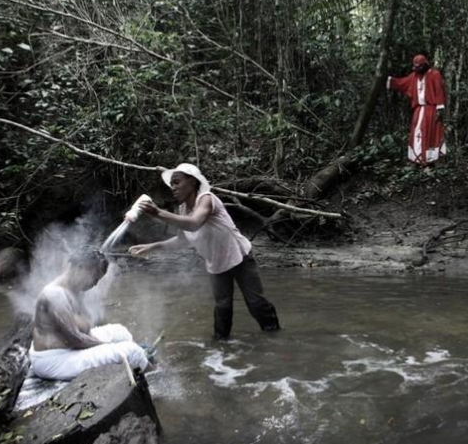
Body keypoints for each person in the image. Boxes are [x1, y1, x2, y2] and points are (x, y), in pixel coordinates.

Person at [128, 163, 281, 340]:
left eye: (177, 182)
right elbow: (182, 239)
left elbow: (194, 223)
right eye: (172, 184)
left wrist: (157, 213)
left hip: (240, 257)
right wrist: (152, 247)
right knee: (222, 306)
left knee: (256, 303)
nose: (173, 188)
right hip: (216, 263)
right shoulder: (184, 209)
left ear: (192, 182)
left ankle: (275, 339)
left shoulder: (206, 199)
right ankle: (221, 348)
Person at [29, 248, 151, 381]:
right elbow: (75, 340)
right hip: (54, 360)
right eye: (95, 278)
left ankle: (139, 366)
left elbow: (84, 330)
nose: (95, 284)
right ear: (80, 267)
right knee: (132, 351)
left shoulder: (75, 290)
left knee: (120, 332)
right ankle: (155, 380)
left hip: (69, 348)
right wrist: (109, 346)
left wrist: (110, 344)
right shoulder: (55, 294)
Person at [387, 54, 448, 165]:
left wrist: (440, 109)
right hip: (419, 110)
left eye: (420, 67)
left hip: (431, 110)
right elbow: (403, 83)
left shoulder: (434, 74)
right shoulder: (414, 76)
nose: (418, 69)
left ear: (424, 65)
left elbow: (439, 91)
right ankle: (418, 160)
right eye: (416, 67)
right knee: (416, 133)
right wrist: (390, 81)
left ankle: (429, 161)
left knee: (430, 135)